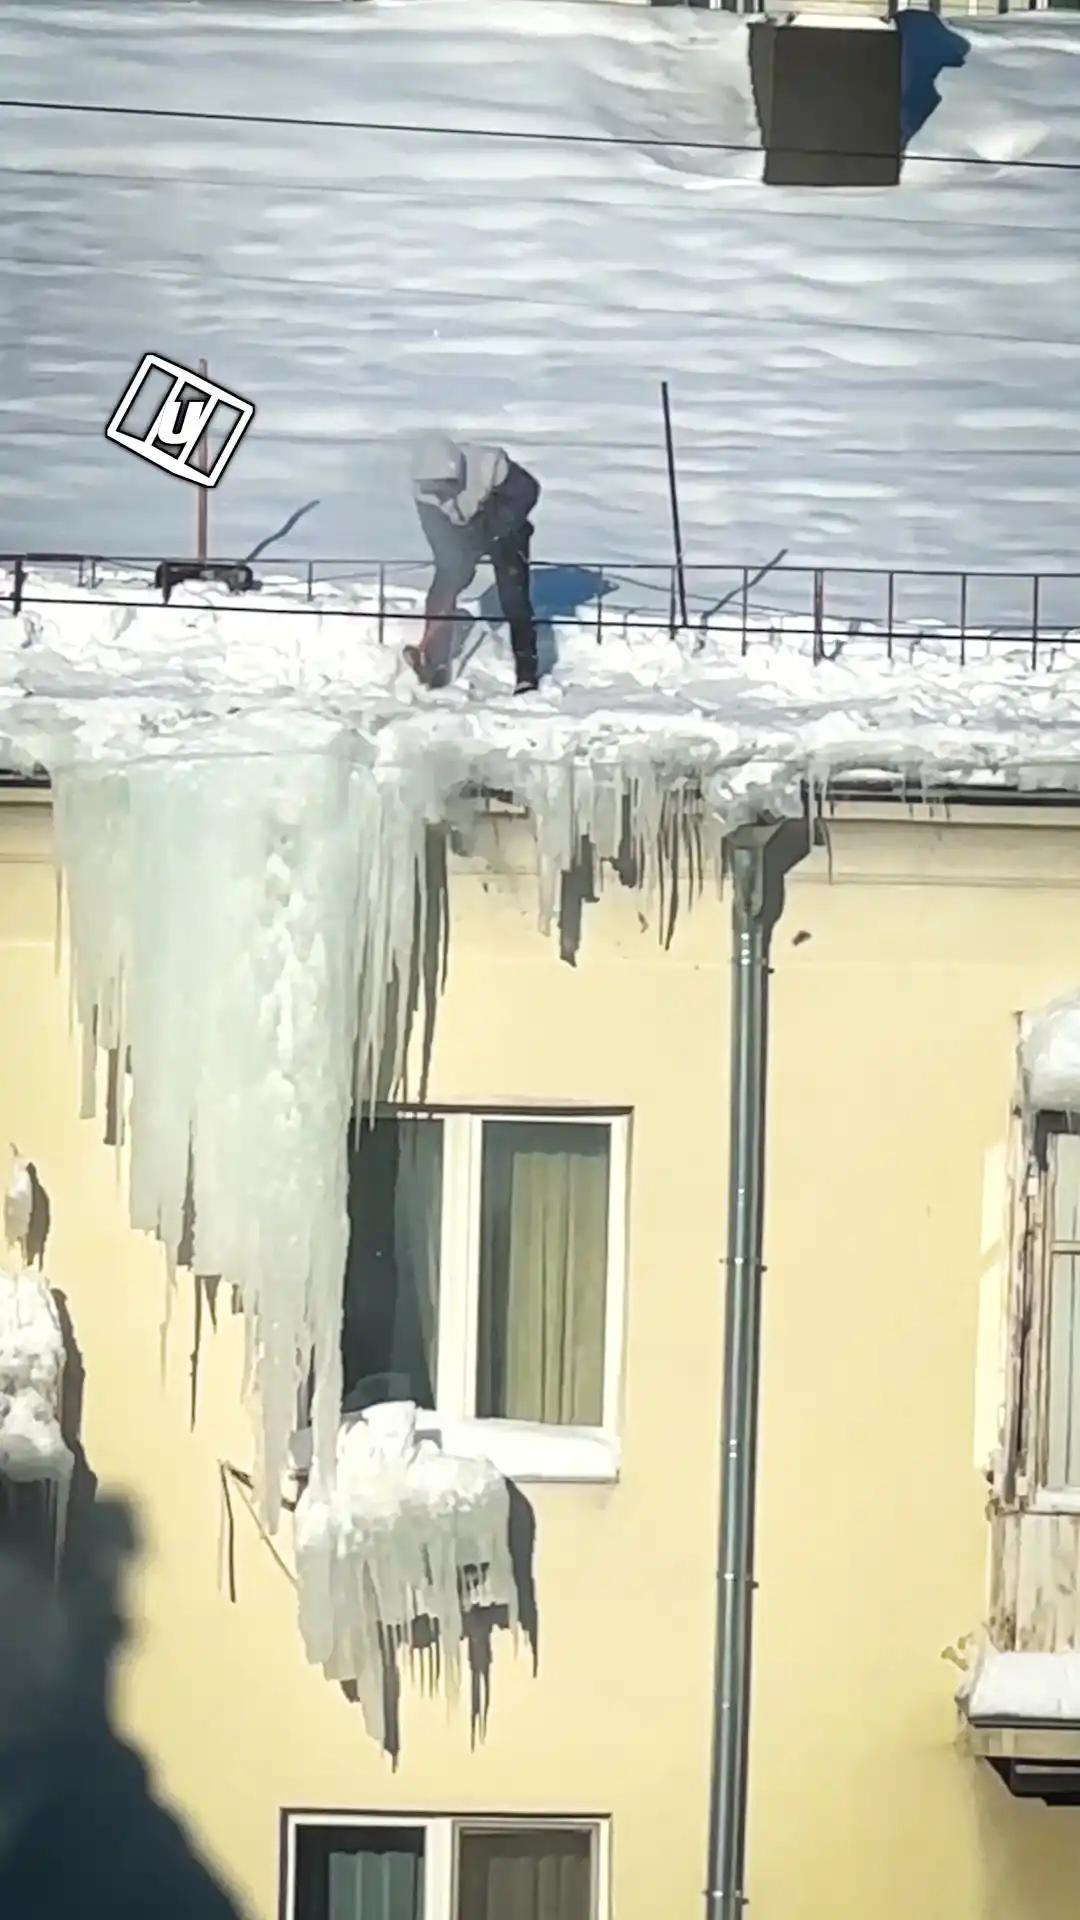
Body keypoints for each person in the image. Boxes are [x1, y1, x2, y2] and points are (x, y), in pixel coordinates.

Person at [408, 432, 541, 693]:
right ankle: (434, 662)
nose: (440, 491)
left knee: (513, 598)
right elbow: (435, 529)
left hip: (506, 531)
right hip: (465, 534)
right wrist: (451, 559)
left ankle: (527, 673)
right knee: (442, 590)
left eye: (445, 484)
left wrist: (493, 527)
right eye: (434, 486)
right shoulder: (423, 491)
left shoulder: (490, 465)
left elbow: (527, 492)